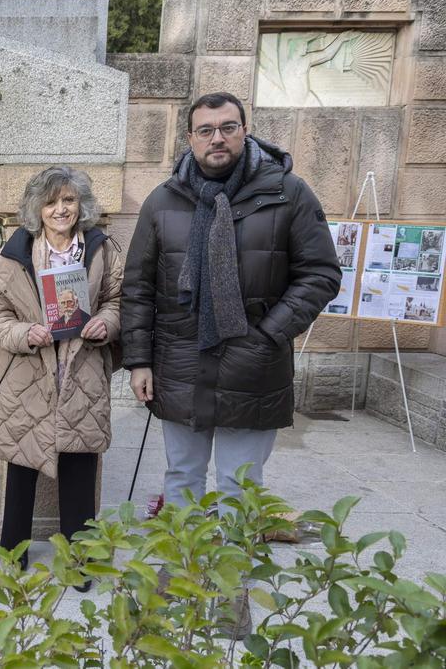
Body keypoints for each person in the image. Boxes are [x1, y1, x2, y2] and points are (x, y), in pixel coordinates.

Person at [120, 91, 341, 636]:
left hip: (254, 366)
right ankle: (176, 588)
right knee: (182, 479)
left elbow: (320, 274)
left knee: (240, 487)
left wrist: (268, 335)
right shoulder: (163, 200)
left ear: (245, 130)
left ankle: (228, 601)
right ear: (189, 138)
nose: (216, 138)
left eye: (227, 127)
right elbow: (138, 287)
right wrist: (139, 360)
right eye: (205, 130)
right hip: (179, 363)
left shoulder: (287, 192)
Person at [0, 166, 124, 587]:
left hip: (82, 372)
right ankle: (14, 557)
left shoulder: (102, 251)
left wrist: (105, 324)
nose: (60, 209)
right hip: (28, 375)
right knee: (21, 467)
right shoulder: (12, 256)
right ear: (37, 209)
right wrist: (25, 333)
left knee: (80, 469)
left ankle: (79, 563)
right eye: (50, 202)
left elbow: (117, 300)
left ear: (81, 205)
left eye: (68, 200)